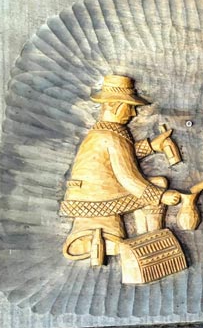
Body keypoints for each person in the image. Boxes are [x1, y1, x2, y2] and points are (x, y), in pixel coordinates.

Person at [60, 74, 182, 264]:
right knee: (158, 184)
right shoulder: (113, 135)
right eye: (129, 107)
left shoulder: (102, 131)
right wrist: (161, 196)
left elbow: (120, 156)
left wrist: (151, 146)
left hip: (88, 193)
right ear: (114, 105)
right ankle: (151, 245)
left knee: (154, 187)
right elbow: (129, 178)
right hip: (100, 197)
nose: (133, 113)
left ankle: (145, 241)